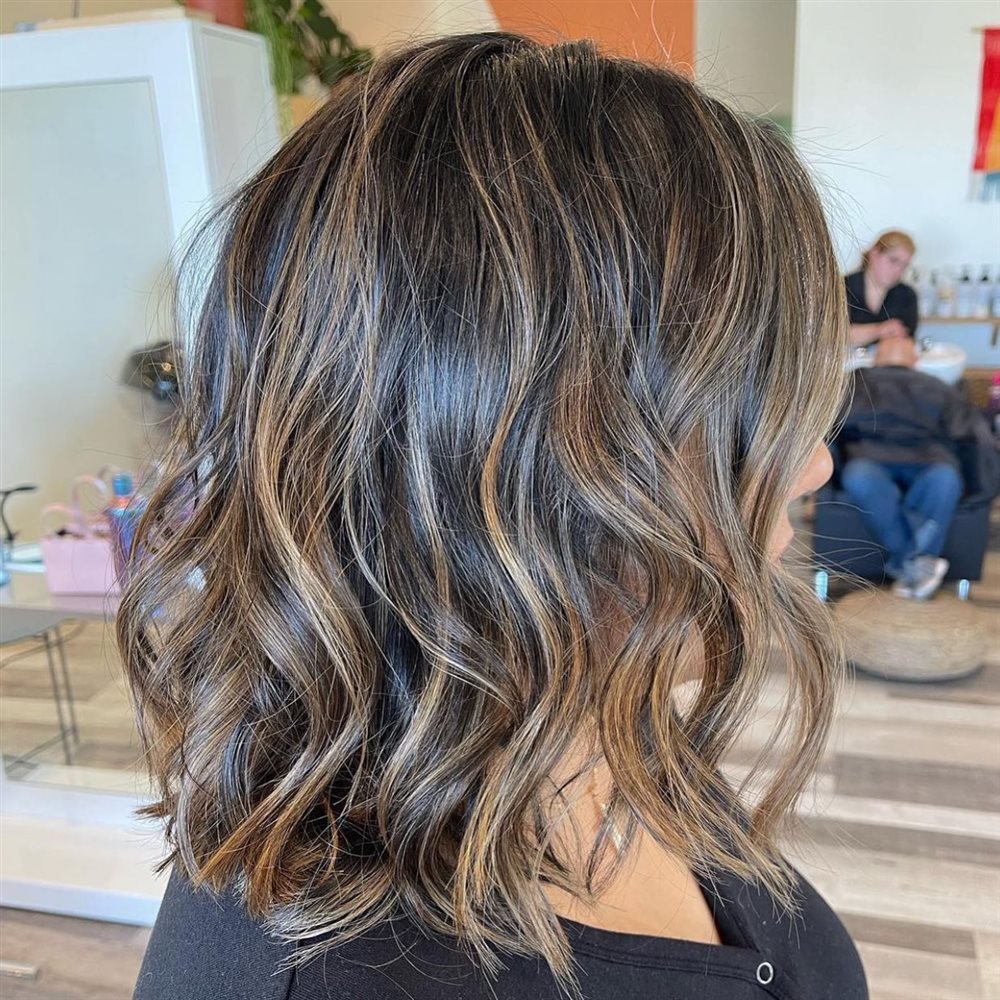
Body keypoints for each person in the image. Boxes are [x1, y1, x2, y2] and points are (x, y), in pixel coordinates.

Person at [122, 33, 867, 1000]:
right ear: (513, 448)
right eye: (749, 404)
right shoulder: (345, 974)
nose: (813, 463)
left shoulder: (588, 700)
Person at [839, 337, 999, 599]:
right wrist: (982, 485)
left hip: (873, 456)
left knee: (863, 476)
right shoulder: (938, 387)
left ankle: (909, 563)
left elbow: (833, 425)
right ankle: (918, 562)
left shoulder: (855, 383)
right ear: (916, 361)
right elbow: (971, 435)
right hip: (919, 458)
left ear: (876, 358)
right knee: (944, 478)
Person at [845, 230, 919, 348]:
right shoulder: (842, 288)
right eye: (893, 260)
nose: (898, 270)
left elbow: (906, 341)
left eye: (904, 266)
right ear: (874, 253)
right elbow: (830, 335)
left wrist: (860, 333)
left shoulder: (907, 295)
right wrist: (880, 330)